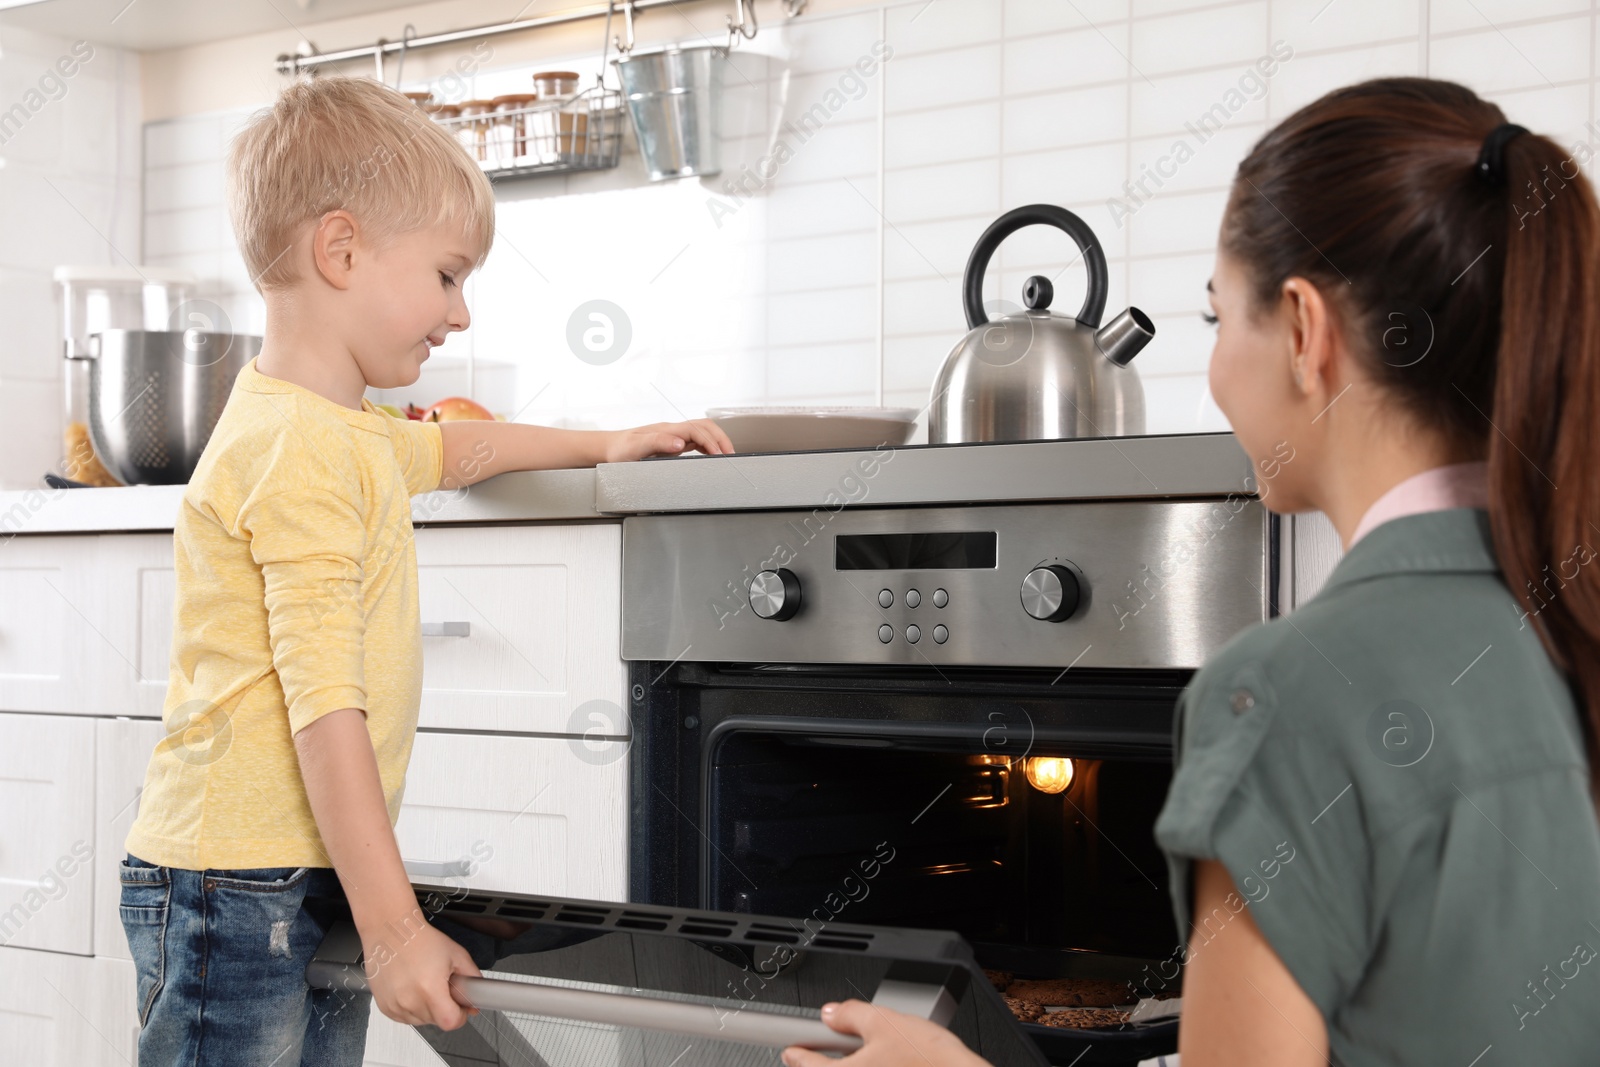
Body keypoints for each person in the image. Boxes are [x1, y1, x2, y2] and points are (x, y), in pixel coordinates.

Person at [785, 77, 1600, 1067]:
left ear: (1303, 331)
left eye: (1216, 320)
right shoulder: (1567, 620)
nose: (1214, 369)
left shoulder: (1287, 691)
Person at [119, 76, 732, 1067]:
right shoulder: (298, 452)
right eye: (449, 275)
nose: (460, 313)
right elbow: (325, 713)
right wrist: (397, 926)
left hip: (286, 867)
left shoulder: (341, 432)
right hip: (232, 881)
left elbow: (456, 452)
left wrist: (610, 439)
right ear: (342, 249)